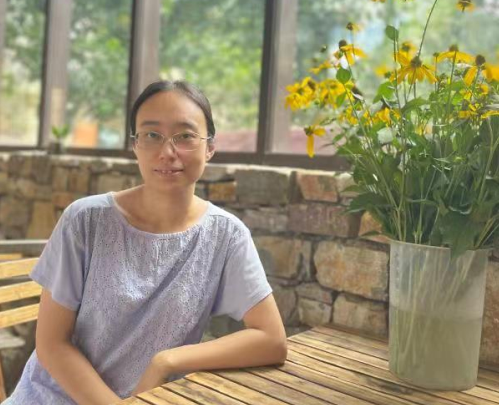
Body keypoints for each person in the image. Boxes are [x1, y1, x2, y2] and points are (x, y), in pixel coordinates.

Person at [5, 80, 287, 404]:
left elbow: (272, 339)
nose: (167, 152)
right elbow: (52, 344)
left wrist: (167, 361)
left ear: (209, 147)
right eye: (152, 135)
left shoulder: (226, 235)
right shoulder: (85, 220)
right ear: (135, 145)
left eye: (185, 136)